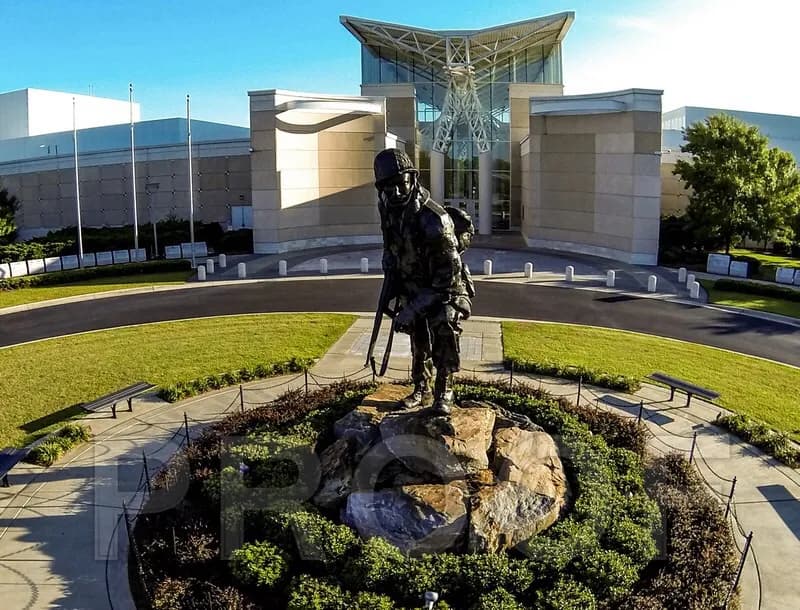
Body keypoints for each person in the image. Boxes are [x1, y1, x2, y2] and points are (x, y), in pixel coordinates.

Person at [373, 148, 474, 415]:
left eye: (401, 184)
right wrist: (390, 266)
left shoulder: (435, 220)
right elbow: (389, 244)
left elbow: (446, 280)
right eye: (388, 187)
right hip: (414, 284)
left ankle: (445, 390)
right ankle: (421, 387)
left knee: (444, 325)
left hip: (446, 289)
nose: (396, 192)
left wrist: (413, 309)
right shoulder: (387, 206)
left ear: (413, 178)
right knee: (418, 337)